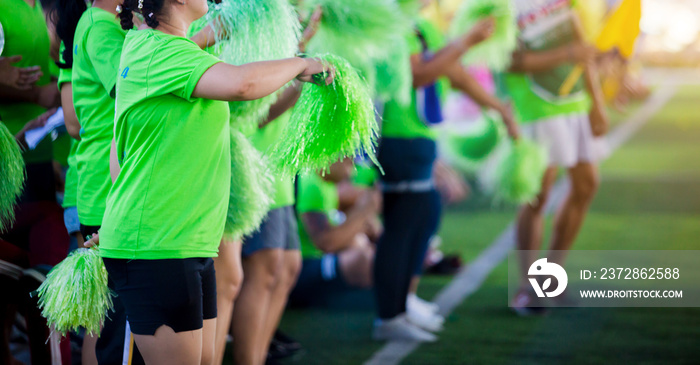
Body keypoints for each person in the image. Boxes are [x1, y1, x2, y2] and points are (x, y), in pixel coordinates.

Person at [85, 0, 332, 364]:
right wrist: (302, 64)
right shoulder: (160, 51)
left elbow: (118, 150)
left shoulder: (152, 47)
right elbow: (244, 84)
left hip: (182, 243)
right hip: (159, 247)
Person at [372, 2, 519, 342]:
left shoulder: (423, 26)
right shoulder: (393, 25)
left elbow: (453, 72)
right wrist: (466, 41)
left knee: (423, 217)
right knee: (402, 226)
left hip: (421, 134)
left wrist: (498, 107)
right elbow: (419, 74)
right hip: (398, 135)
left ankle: (403, 304)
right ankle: (389, 317)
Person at [229, 10, 323, 365]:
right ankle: (249, 357)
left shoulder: (276, 34)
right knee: (262, 268)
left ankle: (260, 351)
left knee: (286, 267)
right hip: (256, 167)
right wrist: (300, 75)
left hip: (278, 172)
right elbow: (256, 111)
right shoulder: (247, 29)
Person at [505, 0, 608, 315]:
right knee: (539, 195)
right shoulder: (502, 5)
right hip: (536, 105)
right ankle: (527, 288)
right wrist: (565, 55)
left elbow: (582, 47)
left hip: (574, 100)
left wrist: (596, 101)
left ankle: (550, 279)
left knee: (587, 184)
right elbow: (509, 61)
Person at [288, 158, 379, 308]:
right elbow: (326, 242)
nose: (353, 165)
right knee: (364, 259)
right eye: (348, 156)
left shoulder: (327, 185)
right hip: (301, 268)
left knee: (364, 246)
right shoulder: (311, 182)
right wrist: (364, 211)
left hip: (316, 263)